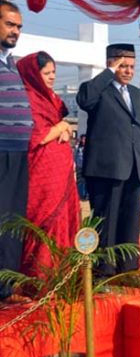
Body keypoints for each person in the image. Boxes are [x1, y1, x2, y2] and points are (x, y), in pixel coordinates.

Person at [78, 44, 140, 276]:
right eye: (123, 66)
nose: (129, 71)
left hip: (135, 167)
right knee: (107, 221)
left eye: (132, 67)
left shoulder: (137, 94)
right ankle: (105, 269)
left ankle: (128, 267)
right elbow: (85, 100)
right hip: (106, 169)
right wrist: (108, 73)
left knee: (131, 221)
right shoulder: (97, 90)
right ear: (111, 63)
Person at [16, 51, 80, 279]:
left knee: (64, 220)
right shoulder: (28, 100)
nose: (52, 77)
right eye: (47, 73)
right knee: (44, 222)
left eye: (54, 72)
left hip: (61, 172)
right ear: (33, 75)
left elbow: (63, 129)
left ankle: (63, 277)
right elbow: (37, 137)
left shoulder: (51, 99)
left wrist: (64, 128)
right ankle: (40, 279)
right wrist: (61, 127)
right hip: (42, 174)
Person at [0, 0, 30, 302]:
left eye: (19, 26)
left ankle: (6, 288)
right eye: (10, 24)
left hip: (18, 151)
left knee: (12, 222)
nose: (16, 31)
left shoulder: (11, 61)